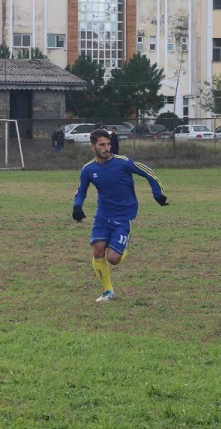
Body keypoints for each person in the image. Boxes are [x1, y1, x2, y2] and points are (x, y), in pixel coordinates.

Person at [72, 129, 168, 302]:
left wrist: (157, 194)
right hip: (102, 215)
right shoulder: (88, 169)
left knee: (113, 259)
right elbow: (81, 191)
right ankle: (109, 292)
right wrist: (77, 207)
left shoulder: (123, 163)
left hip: (123, 215)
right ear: (92, 147)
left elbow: (148, 172)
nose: (106, 148)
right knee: (97, 251)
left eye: (108, 144)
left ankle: (122, 246)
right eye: (102, 145)